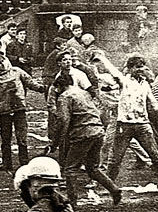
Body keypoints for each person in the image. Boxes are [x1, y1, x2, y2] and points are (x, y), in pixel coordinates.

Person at [95, 53, 158, 196]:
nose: (140, 69)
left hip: (142, 124)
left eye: (141, 67)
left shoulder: (145, 84)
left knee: (155, 155)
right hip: (125, 125)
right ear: (130, 69)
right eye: (136, 67)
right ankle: (108, 186)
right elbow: (113, 71)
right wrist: (102, 58)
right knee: (115, 159)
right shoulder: (124, 81)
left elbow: (152, 101)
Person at [47, 70, 121, 203]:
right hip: (97, 132)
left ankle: (72, 202)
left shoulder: (65, 97)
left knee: (70, 169)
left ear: (59, 86)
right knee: (92, 168)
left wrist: (54, 143)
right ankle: (114, 189)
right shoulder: (84, 93)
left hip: (83, 134)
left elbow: (63, 121)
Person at [0, 53, 40, 181]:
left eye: (3, 61)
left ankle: (24, 163)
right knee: (6, 138)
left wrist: (42, 88)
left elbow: (30, 82)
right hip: (5, 110)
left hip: (19, 108)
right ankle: (7, 164)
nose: (3, 65)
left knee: (22, 137)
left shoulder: (17, 71)